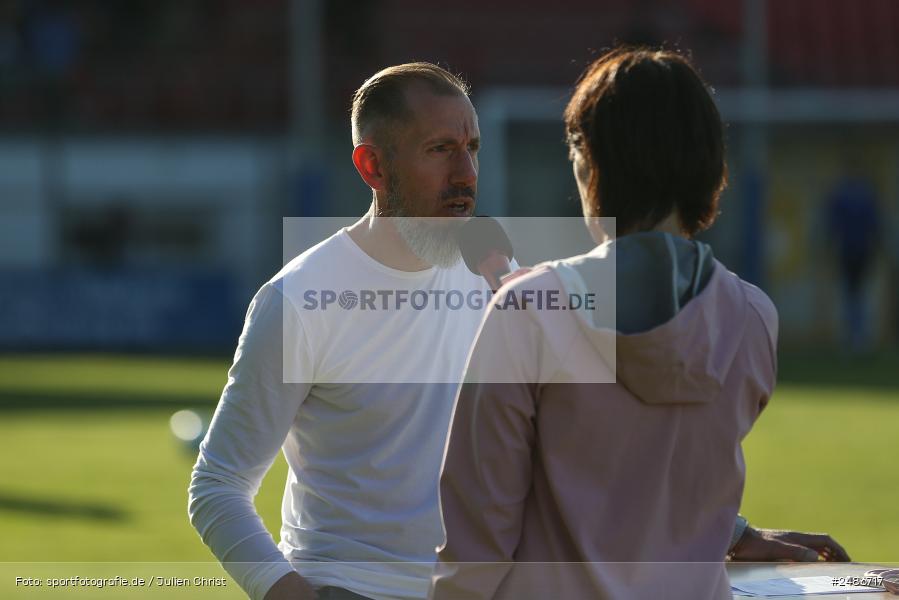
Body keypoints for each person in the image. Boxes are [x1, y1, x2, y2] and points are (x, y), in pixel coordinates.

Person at [189, 61, 846, 600]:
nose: (466, 175)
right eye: (438, 150)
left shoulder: (495, 269)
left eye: (471, 147)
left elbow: (571, 453)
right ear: (371, 167)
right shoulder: (298, 300)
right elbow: (217, 487)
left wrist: (725, 529)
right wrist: (297, 595)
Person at [429, 48, 846, 600]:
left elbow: (475, 543)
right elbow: (656, 480)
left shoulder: (527, 310)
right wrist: (734, 531)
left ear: (589, 159)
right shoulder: (752, 317)